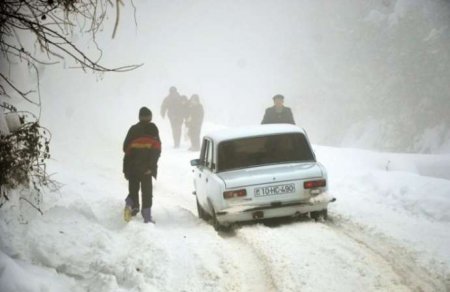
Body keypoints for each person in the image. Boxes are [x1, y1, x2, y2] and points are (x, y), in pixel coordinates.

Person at [123, 107, 161, 223]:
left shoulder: (133, 129)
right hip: (146, 168)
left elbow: (125, 148)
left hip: (132, 166)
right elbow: (157, 150)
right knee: (147, 192)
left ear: (139, 117)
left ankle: (131, 205)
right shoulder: (153, 129)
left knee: (133, 188)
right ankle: (147, 216)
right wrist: (151, 166)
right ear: (150, 117)